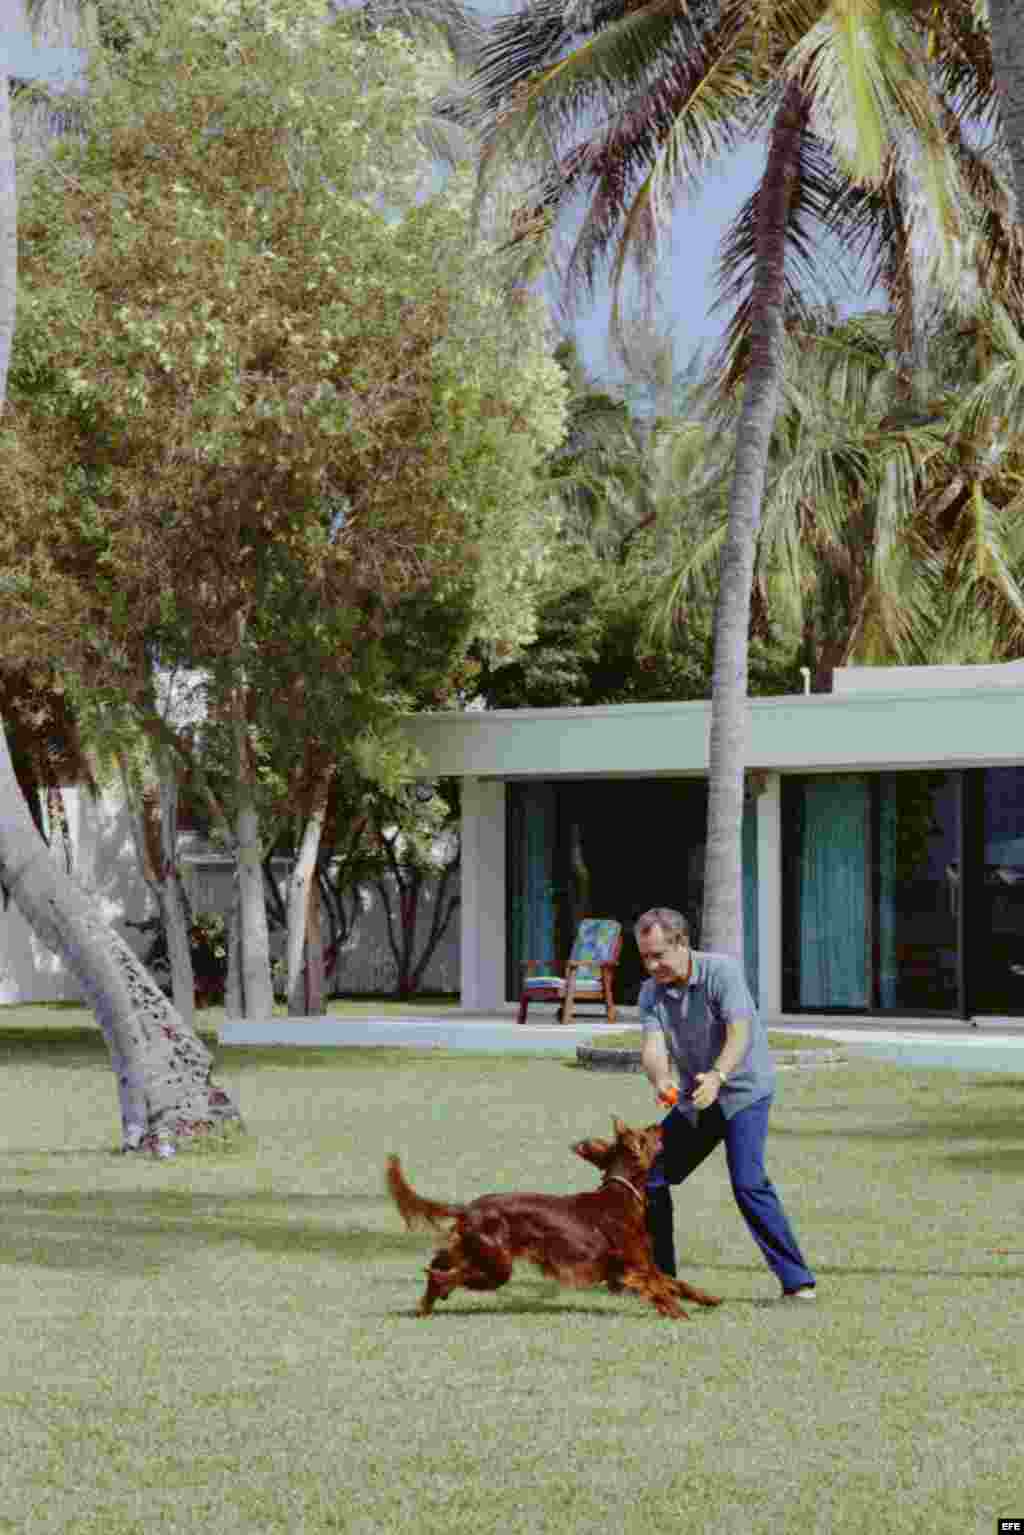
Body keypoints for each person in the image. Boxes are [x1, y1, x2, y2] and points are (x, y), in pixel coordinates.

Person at [635, 906, 816, 1301]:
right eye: (645, 957)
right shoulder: (652, 992)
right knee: (650, 1175)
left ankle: (798, 1282)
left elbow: (740, 1034)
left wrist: (718, 1076)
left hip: (744, 1091)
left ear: (682, 943)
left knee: (748, 1182)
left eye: (659, 955)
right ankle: (661, 1278)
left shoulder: (722, 973)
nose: (652, 965)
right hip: (697, 1099)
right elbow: (652, 1047)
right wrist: (661, 1078)